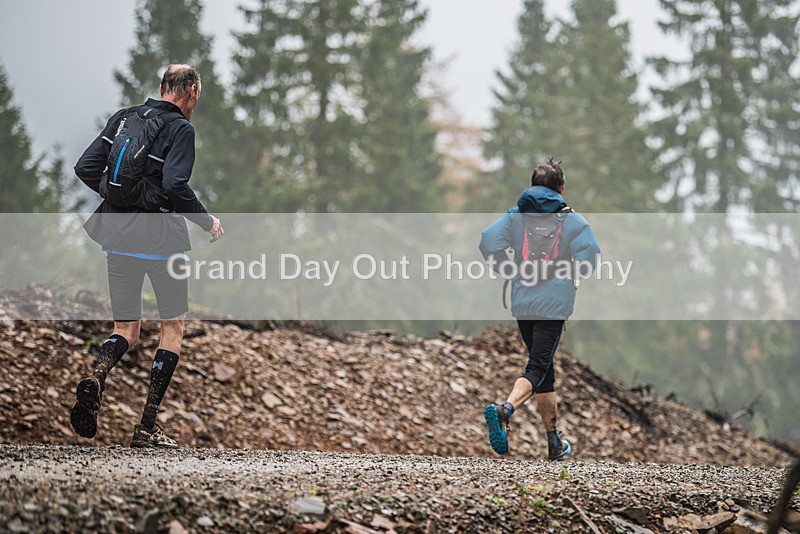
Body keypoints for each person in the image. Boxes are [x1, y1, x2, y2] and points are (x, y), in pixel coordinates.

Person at [70, 64, 223, 448]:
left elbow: (86, 167)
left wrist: (120, 196)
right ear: (191, 91)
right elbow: (175, 185)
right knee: (172, 327)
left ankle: (98, 374)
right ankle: (146, 426)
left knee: (126, 329)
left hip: (117, 237)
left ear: (161, 86)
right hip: (162, 242)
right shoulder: (181, 129)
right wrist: (207, 221)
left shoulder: (124, 118)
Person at [479, 158, 599, 460]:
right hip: (553, 305)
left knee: (544, 371)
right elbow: (590, 257)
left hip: (522, 303)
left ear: (533, 185)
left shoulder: (515, 216)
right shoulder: (572, 220)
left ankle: (554, 442)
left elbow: (488, 241)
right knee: (536, 368)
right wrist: (569, 275)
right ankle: (505, 410)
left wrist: (509, 270)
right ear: (561, 189)